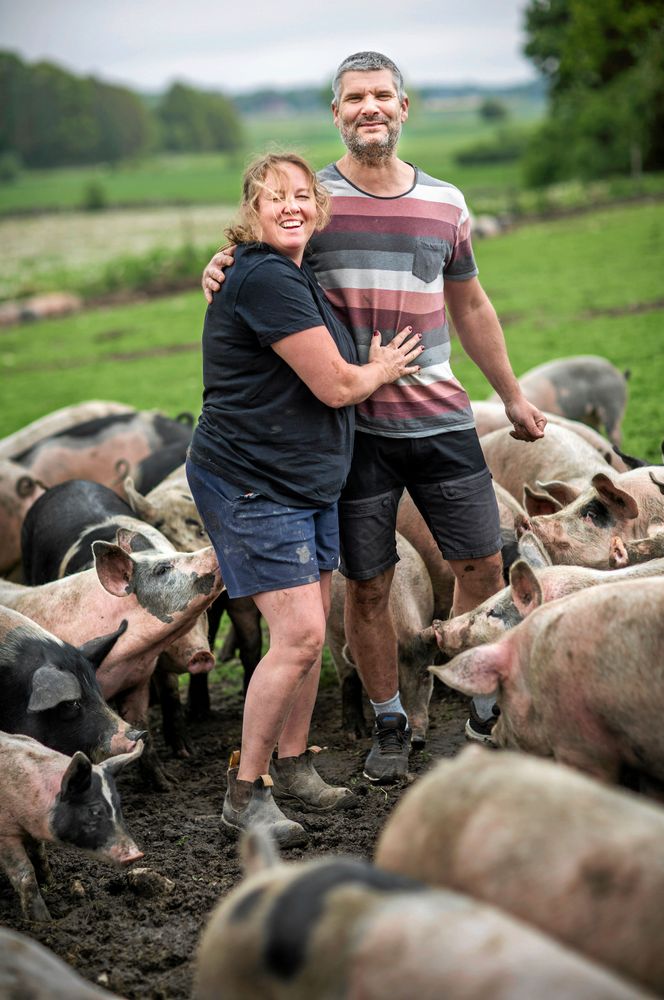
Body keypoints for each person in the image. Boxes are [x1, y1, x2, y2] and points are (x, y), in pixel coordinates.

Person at [202, 53, 547, 785]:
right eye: (354, 97)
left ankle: (479, 707)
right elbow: (259, 249)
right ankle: (390, 720)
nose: (370, 107)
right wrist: (218, 263)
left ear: (402, 107)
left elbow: (470, 304)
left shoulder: (446, 202)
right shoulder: (312, 199)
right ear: (336, 113)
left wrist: (512, 394)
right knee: (367, 584)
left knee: (481, 564)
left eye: (382, 95)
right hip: (352, 432)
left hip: (442, 417)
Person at [187, 151, 422, 844]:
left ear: (318, 208)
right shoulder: (265, 277)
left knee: (309, 632)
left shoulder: (290, 272)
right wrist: (381, 368)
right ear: (251, 212)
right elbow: (337, 385)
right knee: (299, 637)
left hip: (303, 480)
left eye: (300, 195)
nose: (290, 206)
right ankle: (245, 791)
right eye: (273, 197)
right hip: (253, 481)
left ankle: (292, 765)